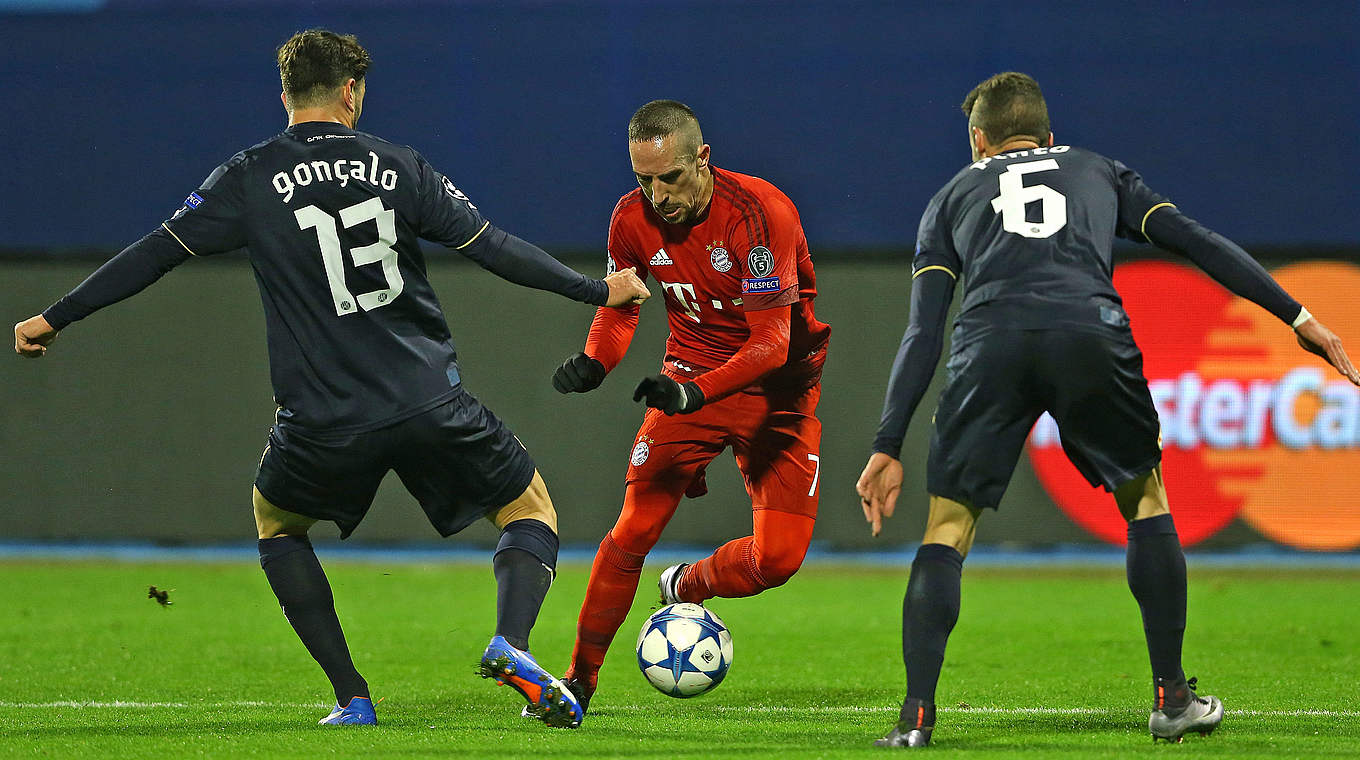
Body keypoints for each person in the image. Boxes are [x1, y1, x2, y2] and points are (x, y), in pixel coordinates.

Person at [13, 29, 651, 729]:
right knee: (529, 510)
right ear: (352, 92)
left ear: (285, 93)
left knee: (278, 524)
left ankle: (352, 697)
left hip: (321, 418)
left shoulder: (250, 175)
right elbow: (493, 248)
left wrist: (55, 317)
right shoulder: (400, 165)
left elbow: (154, 254)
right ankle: (513, 642)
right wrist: (598, 290)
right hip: (428, 399)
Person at [856, 72, 1360, 748]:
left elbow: (923, 332)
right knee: (1145, 500)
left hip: (989, 340)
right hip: (1087, 331)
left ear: (978, 141)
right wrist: (1296, 315)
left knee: (947, 525)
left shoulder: (950, 198)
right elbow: (1195, 240)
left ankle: (915, 718)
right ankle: (1173, 699)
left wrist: (887, 442)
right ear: (1048, 135)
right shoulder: (1097, 170)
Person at [546, 100, 831, 716]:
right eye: (642, 179)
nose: (656, 195)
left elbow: (771, 343)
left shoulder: (761, 213)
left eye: (669, 177)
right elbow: (621, 306)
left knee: (777, 560)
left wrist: (693, 394)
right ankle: (577, 682)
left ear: (703, 160)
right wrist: (597, 360)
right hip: (690, 381)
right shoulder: (630, 219)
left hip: (776, 395)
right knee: (631, 531)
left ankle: (688, 584)